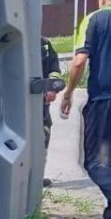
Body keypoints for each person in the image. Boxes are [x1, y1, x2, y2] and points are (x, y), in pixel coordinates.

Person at [61, 0, 111, 219]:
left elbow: (80, 60)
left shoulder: (95, 19)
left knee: (96, 161)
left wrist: (68, 93)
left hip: (104, 100)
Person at [41, 36, 63, 187]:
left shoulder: (45, 45)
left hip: (41, 102)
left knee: (43, 133)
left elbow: (54, 70)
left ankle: (37, 174)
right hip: (14, 102)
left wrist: (52, 88)